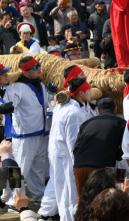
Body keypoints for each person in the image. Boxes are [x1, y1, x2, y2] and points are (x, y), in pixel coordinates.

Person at [2, 56, 52, 206]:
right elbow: (7, 104)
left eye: (39, 66)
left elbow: (48, 102)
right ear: (26, 73)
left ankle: (39, 196)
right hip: (24, 137)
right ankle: (13, 201)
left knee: (38, 169)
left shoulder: (41, 85)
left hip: (39, 133)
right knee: (18, 171)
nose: (39, 69)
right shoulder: (16, 87)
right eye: (35, 68)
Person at [48, 76, 92, 221]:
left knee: (63, 194)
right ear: (80, 93)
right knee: (69, 196)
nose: (91, 92)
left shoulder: (63, 106)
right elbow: (74, 142)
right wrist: (77, 166)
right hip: (67, 158)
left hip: (59, 155)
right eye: (88, 90)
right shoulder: (74, 112)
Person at [73, 98, 127, 196]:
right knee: (102, 202)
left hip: (79, 166)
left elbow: (76, 147)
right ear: (115, 109)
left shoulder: (86, 123)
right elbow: (124, 148)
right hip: (101, 167)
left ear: (98, 111)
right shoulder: (121, 122)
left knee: (82, 202)